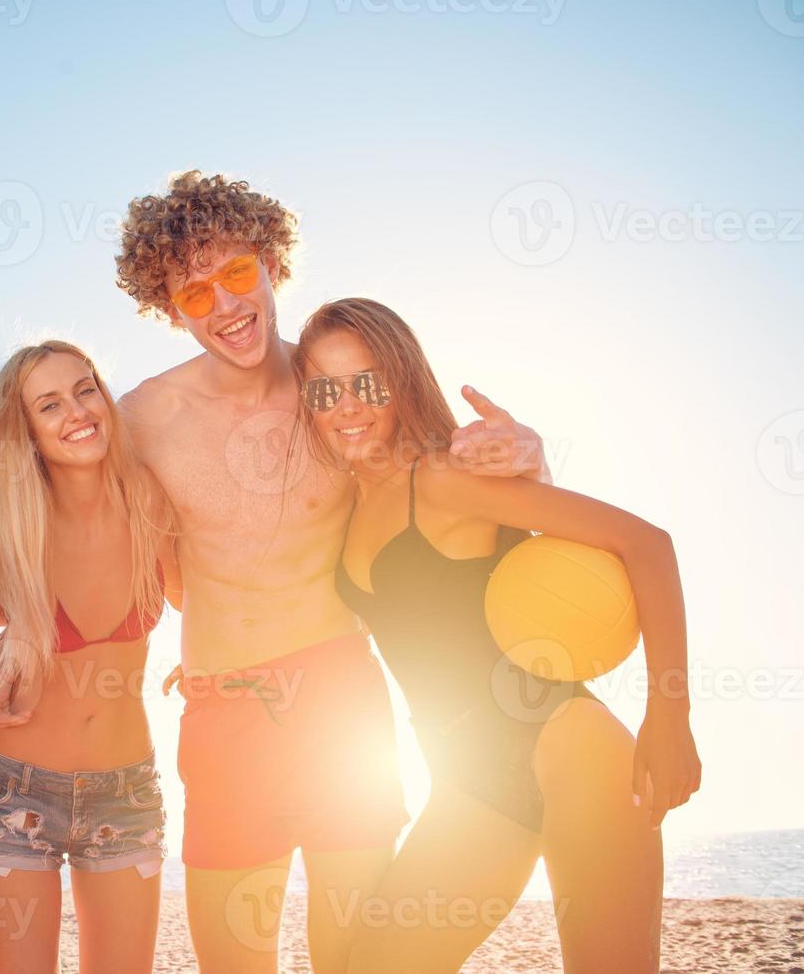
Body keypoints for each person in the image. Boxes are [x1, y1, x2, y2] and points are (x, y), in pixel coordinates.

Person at [111, 171, 547, 972]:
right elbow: (82, 543)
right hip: (224, 712)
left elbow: (442, 481)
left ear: (272, 263)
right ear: (166, 309)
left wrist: (532, 458)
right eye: (194, 293)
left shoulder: (337, 391)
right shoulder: (141, 418)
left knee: (353, 957)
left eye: (236, 273)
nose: (225, 305)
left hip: (341, 704)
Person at [296, 297, 700, 973]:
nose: (347, 405)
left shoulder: (445, 476)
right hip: (467, 780)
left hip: (569, 750)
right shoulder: (344, 502)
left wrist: (670, 715)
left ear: (400, 380)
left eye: (366, 383)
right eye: (324, 389)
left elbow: (644, 543)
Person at [0, 341, 180, 974]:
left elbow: (210, 587)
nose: (77, 412)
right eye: (49, 404)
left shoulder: (147, 495)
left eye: (85, 389)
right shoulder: (1, 516)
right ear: (26, 427)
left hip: (126, 792)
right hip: (14, 791)